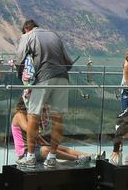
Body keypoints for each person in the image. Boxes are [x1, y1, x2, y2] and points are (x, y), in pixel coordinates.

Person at [13, 19, 74, 168]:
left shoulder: (27, 36)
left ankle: (30, 157)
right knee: (58, 118)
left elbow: (19, 59)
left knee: (33, 116)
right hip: (63, 77)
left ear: (26, 29)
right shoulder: (54, 35)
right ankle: (52, 157)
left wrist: (22, 77)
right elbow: (69, 61)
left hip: (43, 78)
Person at [10, 99, 90, 165]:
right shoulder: (19, 115)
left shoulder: (31, 116)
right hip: (25, 152)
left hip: (36, 147)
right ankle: (77, 159)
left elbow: (37, 134)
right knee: (46, 150)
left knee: (60, 148)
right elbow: (30, 130)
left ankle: (89, 156)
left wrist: (45, 143)